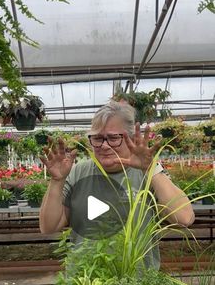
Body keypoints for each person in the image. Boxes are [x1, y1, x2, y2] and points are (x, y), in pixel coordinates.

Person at [39, 101, 195, 268]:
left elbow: (184, 218)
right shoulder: (77, 172)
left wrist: (150, 169)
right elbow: (49, 226)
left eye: (113, 138)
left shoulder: (147, 173)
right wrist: (57, 181)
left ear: (132, 138)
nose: (104, 146)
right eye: (97, 138)